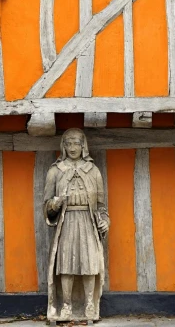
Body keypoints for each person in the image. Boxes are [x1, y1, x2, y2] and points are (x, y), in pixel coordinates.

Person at [44, 128, 109, 322]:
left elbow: (101, 206)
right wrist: (54, 203)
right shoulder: (55, 171)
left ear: (83, 146)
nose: (73, 148)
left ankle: (90, 304)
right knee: (66, 265)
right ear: (63, 146)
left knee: (89, 263)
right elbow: (46, 206)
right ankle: (66, 305)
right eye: (68, 143)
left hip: (87, 222)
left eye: (76, 143)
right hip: (67, 222)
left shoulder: (93, 170)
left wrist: (105, 221)